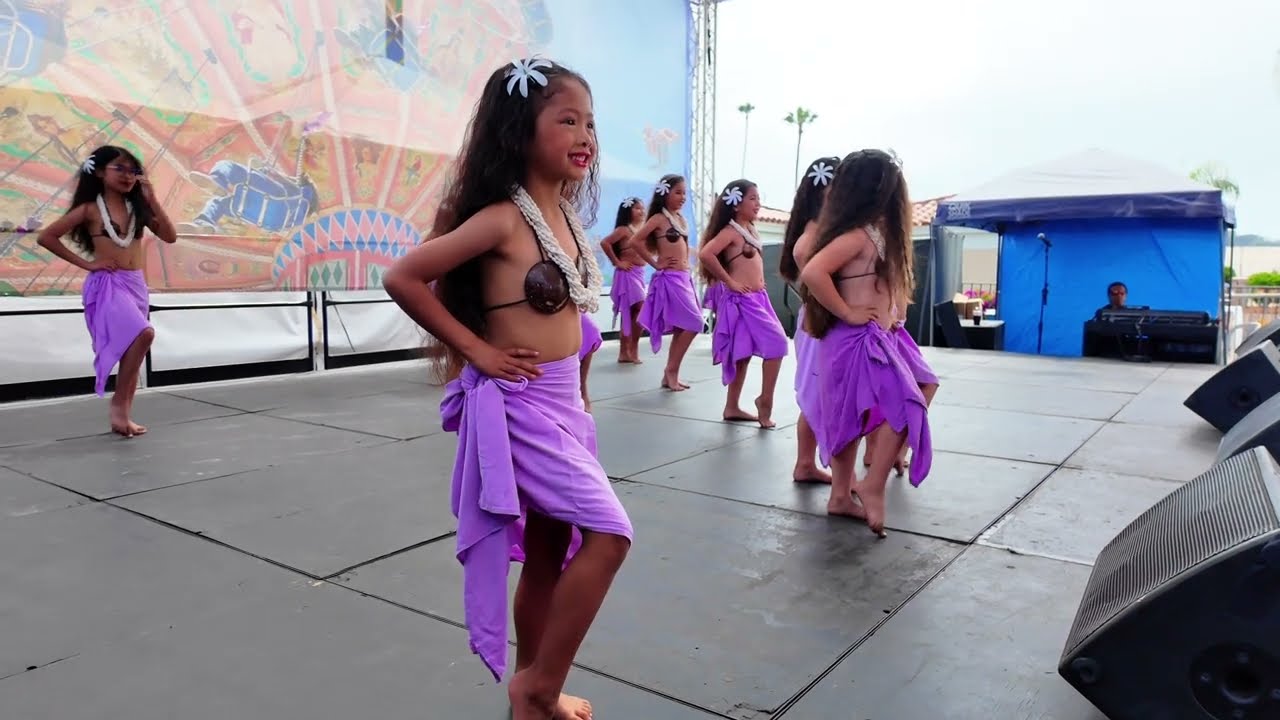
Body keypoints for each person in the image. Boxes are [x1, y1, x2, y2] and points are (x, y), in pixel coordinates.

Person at [382, 57, 632, 720]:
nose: (586, 135)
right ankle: (539, 685)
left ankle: (533, 690)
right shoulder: (500, 219)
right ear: (520, 133)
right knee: (609, 535)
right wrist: (477, 352)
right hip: (520, 407)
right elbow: (403, 276)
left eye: (591, 123)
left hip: (562, 406)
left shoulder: (570, 223)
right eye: (567, 120)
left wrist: (579, 394)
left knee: (552, 550)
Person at [800, 149, 933, 537]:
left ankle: (846, 493)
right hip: (851, 338)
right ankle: (864, 486)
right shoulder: (857, 235)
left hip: (874, 336)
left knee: (865, 413)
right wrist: (848, 312)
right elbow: (812, 271)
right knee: (885, 408)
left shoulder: (878, 233)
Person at [36, 144, 178, 438]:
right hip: (108, 284)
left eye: (133, 170)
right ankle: (118, 405)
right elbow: (47, 237)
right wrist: (89, 264)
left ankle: (124, 411)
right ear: (100, 171)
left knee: (134, 346)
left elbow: (169, 236)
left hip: (135, 284)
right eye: (120, 168)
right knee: (145, 333)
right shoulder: (89, 209)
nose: (128, 175)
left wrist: (152, 200)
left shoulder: (136, 209)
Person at [697, 179, 788, 428]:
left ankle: (732, 406)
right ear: (736, 204)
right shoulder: (731, 231)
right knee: (778, 344)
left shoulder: (749, 228)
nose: (758, 204)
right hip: (742, 299)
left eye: (759, 198)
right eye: (753, 198)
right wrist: (730, 282)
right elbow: (706, 253)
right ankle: (764, 401)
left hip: (758, 298)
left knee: (743, 354)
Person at [780, 156, 841, 484]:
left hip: (822, 319)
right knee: (816, 393)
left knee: (824, 392)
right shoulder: (814, 231)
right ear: (822, 192)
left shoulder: (830, 229)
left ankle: (807, 463)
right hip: (819, 321)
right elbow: (804, 256)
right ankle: (804, 463)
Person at [632, 173, 703, 391]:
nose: (683, 197)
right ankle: (670, 371)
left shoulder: (680, 219)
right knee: (695, 323)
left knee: (685, 326)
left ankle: (671, 373)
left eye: (685, 193)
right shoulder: (659, 219)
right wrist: (655, 264)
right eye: (678, 192)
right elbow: (636, 241)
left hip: (684, 277)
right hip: (670, 278)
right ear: (665, 194)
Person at [599, 197, 646, 363]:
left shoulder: (643, 229)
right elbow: (605, 243)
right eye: (637, 208)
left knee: (633, 313)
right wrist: (617, 262)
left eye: (642, 208)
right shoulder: (624, 230)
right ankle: (628, 349)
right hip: (627, 273)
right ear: (628, 211)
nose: (641, 211)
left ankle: (628, 350)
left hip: (639, 273)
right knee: (638, 307)